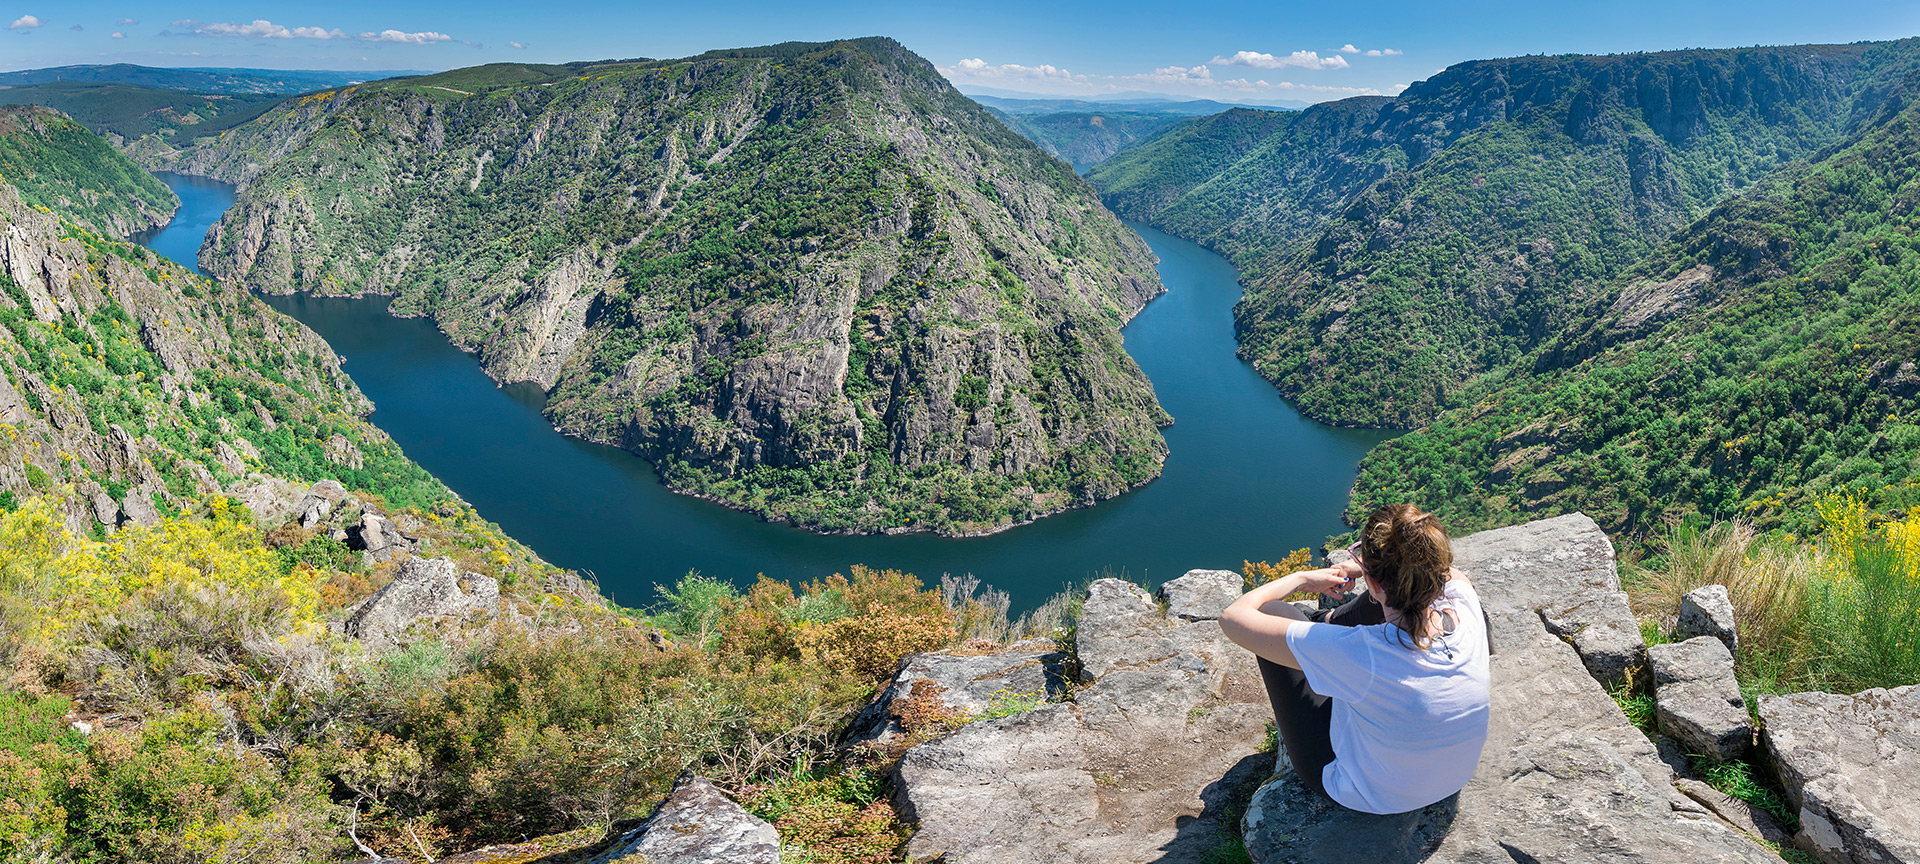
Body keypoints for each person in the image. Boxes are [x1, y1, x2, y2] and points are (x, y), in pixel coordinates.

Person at [1219, 503, 1491, 815]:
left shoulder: (1361, 653)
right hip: (1451, 780)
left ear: (1374, 582)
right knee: (1396, 602)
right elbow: (1447, 574)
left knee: (1275, 613)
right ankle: (1325, 621)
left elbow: (1233, 617)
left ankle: (1318, 624)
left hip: (1368, 794)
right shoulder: (1466, 608)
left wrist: (1300, 579)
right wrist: (1371, 571)